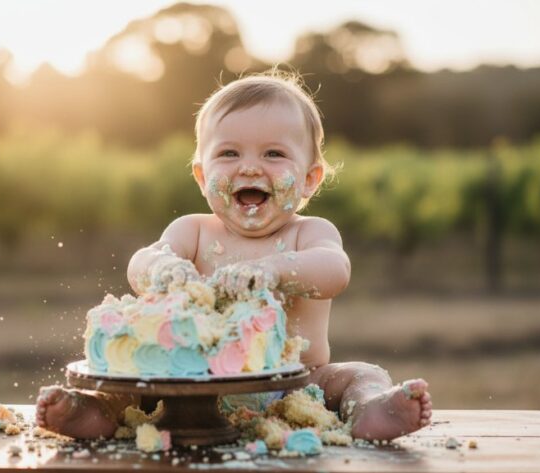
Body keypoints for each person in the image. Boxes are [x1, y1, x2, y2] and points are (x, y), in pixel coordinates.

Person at [36, 71, 432, 441]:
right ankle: (93, 411)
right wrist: (162, 267)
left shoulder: (308, 234)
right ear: (202, 176)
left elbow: (335, 271)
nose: (249, 167)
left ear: (310, 178)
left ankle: (372, 410)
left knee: (359, 374)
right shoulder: (193, 231)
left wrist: (274, 271)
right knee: (127, 384)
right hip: (188, 384)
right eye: (228, 153)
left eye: (274, 154)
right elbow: (141, 264)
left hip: (295, 384)